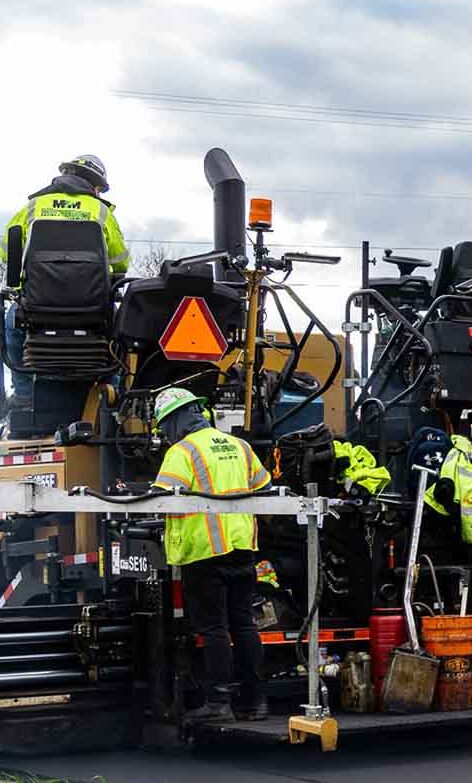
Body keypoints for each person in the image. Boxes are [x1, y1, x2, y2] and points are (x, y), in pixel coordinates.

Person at [151, 386, 273, 723]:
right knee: (245, 625)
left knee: (215, 628)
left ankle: (219, 701)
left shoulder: (183, 451)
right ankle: (254, 702)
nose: (164, 433)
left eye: (164, 426)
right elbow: (264, 488)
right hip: (242, 549)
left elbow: (160, 498)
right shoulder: (240, 446)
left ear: (176, 420)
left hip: (205, 553)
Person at [2, 156, 131, 410]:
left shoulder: (33, 207)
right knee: (120, 334)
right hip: (93, 312)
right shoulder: (100, 211)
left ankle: (25, 397)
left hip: (37, 311)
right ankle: (111, 392)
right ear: (94, 185)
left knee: (12, 324)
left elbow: (7, 250)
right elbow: (121, 262)